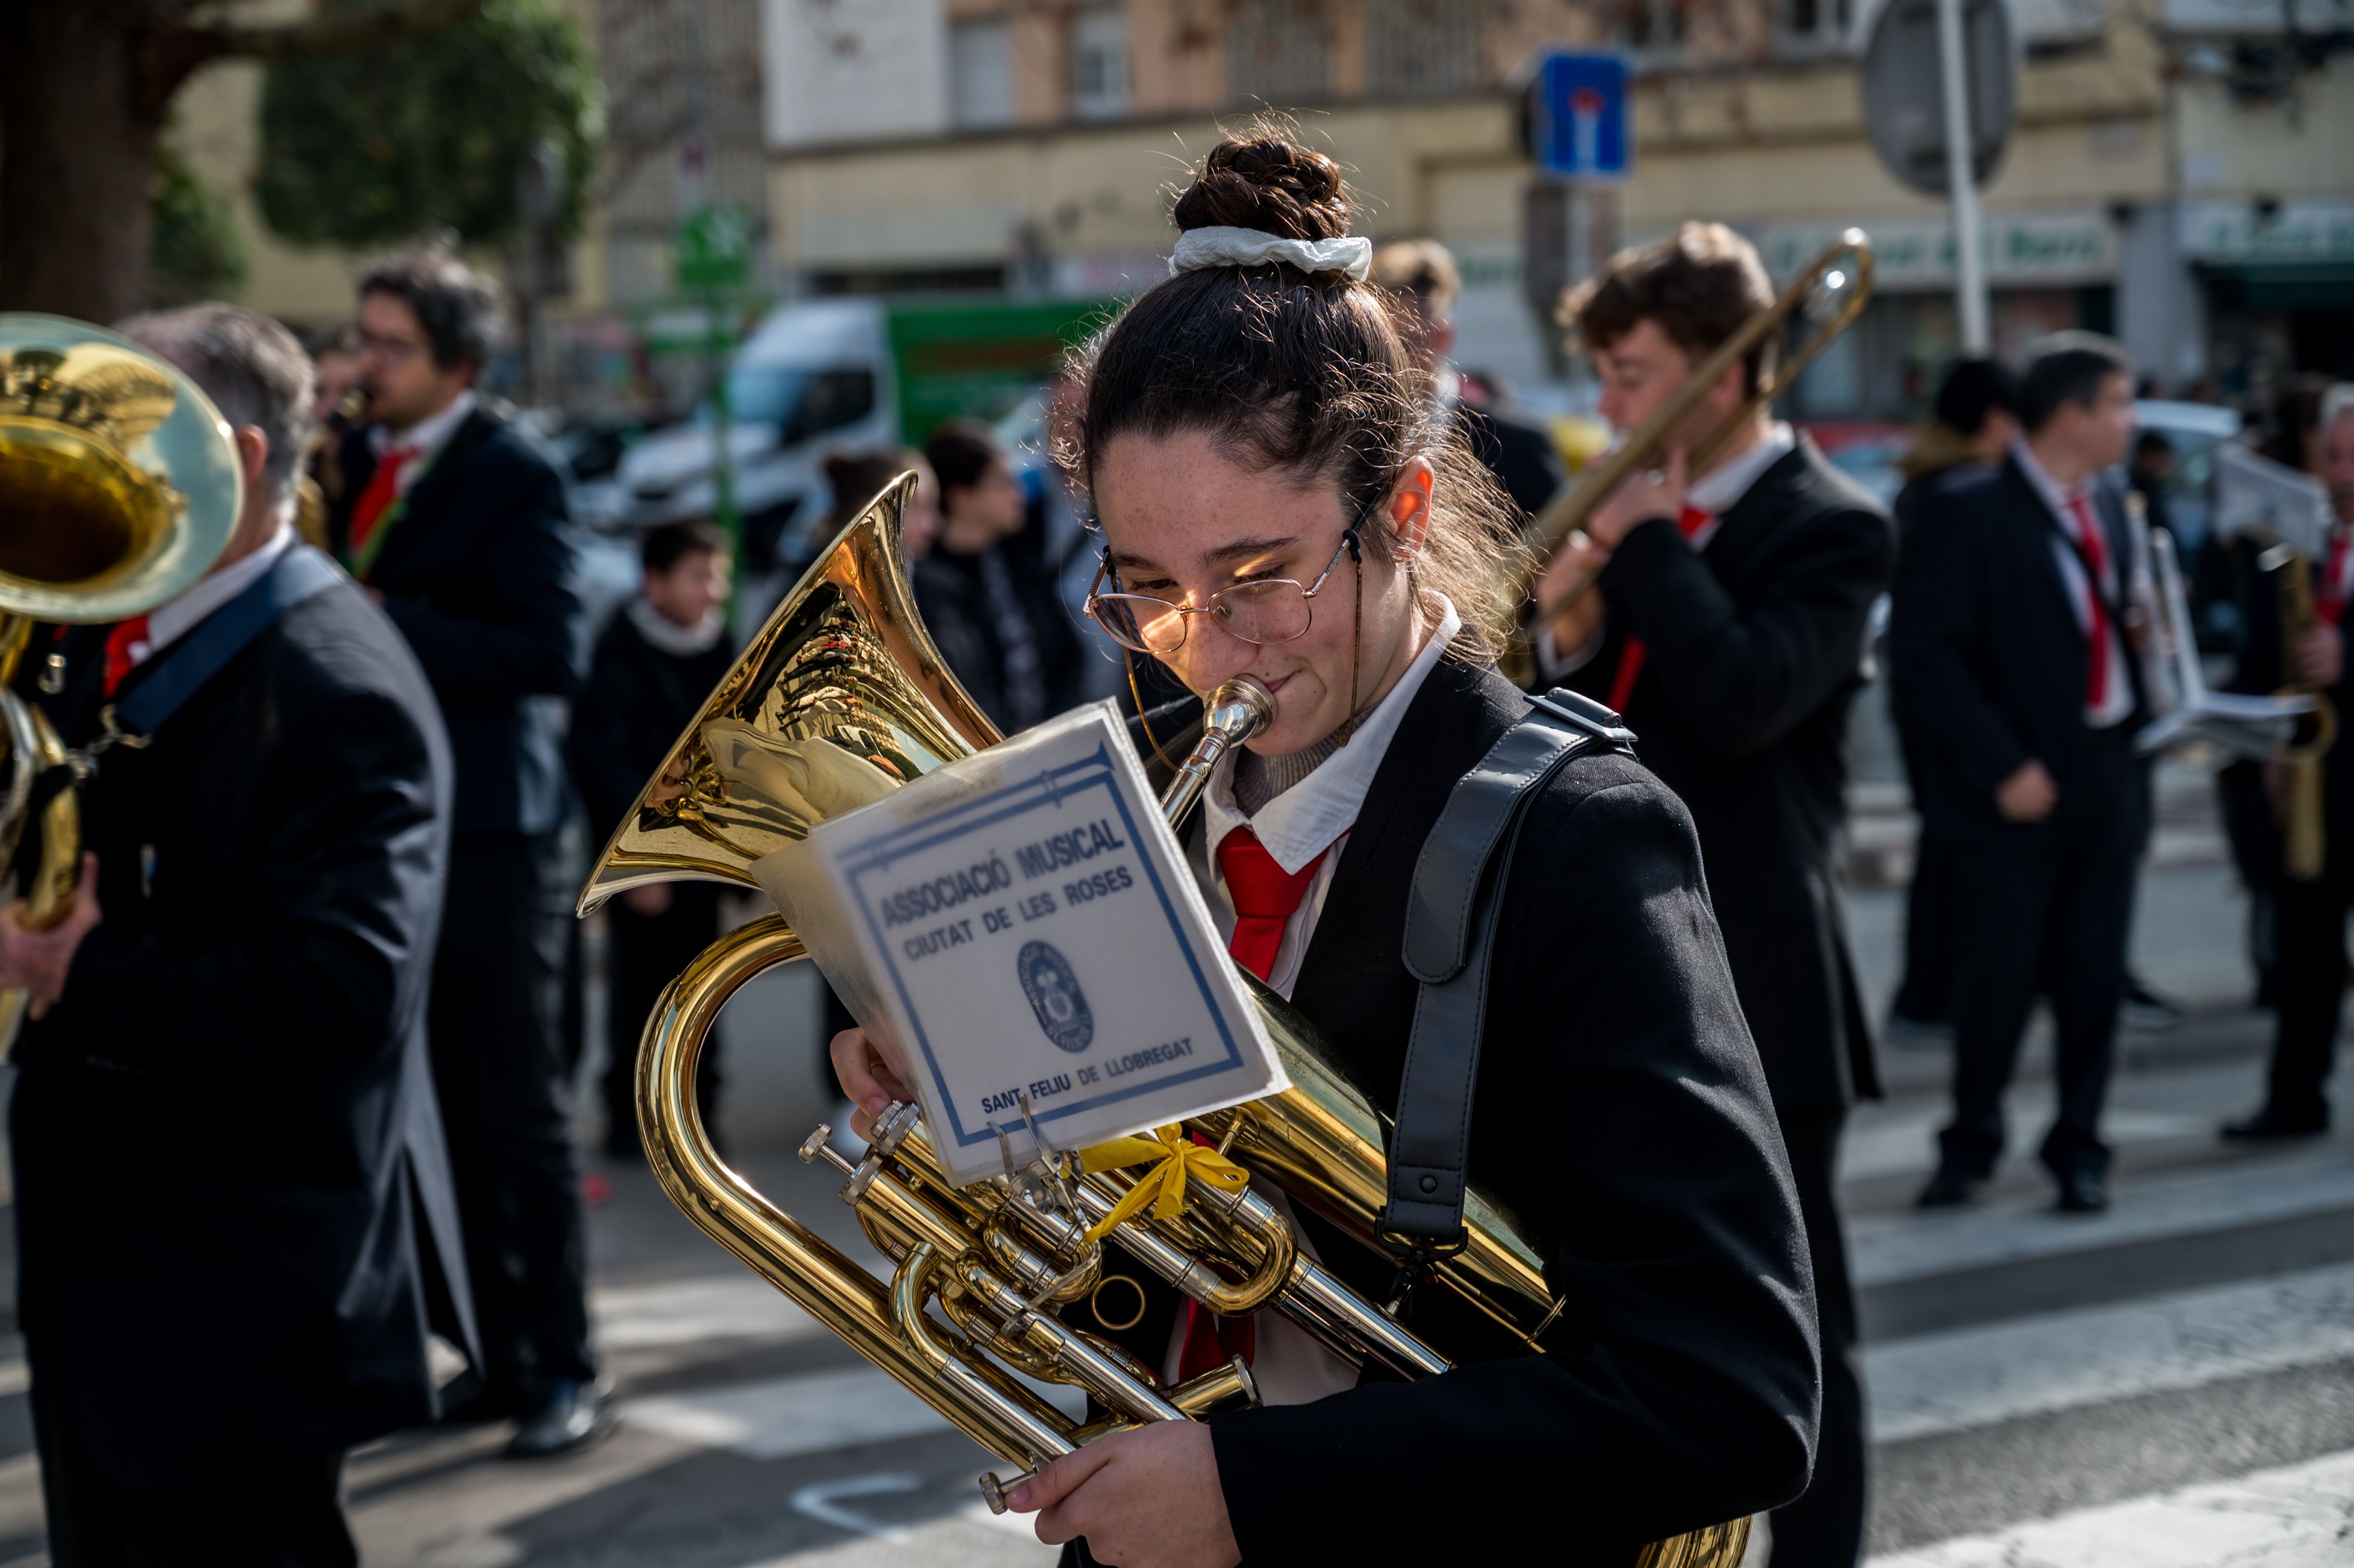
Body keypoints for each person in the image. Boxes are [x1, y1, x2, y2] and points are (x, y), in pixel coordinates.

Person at [831, 133, 1819, 1568]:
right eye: (1148, 587)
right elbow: (1153, 1274)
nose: (1204, 646)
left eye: (1258, 576)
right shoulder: (1152, 800)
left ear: (1402, 515)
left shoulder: (1582, 837)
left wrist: (1253, 1490)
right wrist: (971, 1101)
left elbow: (1730, 1394)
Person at [1, 304, 468, 1565]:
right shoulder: (112, 621)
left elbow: (343, 985)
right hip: (121, 1266)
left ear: (242, 461)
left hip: (229, 1297)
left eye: (118, 435)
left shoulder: (338, 681)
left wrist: (76, 966)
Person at [1531, 222, 1892, 1568]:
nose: (1610, 408)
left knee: (1799, 1322)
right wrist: (1565, 624)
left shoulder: (1835, 528)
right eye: (1607, 375)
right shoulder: (1647, 523)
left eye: (1632, 374)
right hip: (1622, 969)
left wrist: (1639, 553)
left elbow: (1743, 699)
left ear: (1726, 374)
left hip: (1767, 974)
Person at [324, 247, 609, 1454]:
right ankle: (487, 1350)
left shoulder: (516, 468)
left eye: (390, 345)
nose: (364, 362)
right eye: (364, 338)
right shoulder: (346, 461)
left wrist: (387, 624)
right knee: (431, 1102)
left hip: (499, 831)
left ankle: (561, 1362)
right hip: (391, 822)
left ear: (456, 362)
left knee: (516, 1111)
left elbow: (546, 652)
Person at [1890, 332, 2152, 1214]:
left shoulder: (2112, 503)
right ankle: (1969, 1142)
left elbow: (2100, 622)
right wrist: (1999, 766)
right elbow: (1927, 658)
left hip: (2107, 775)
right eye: (2117, 403)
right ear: (2071, 416)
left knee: (2093, 980)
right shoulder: (1968, 508)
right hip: (2014, 792)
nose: (2130, 420)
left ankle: (2079, 1146)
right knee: (1994, 984)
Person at [571, 520, 737, 1160]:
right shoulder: (618, 655)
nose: (713, 589)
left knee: (705, 989)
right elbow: (603, 764)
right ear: (654, 582)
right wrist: (637, 864)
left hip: (700, 857)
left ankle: (699, 1113)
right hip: (646, 865)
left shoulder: (718, 643)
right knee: (640, 995)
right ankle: (631, 1118)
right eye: (698, 575)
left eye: (716, 573)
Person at [2220, 384, 2354, 1139]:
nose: (2342, 473)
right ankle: (2294, 1097)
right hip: (2314, 781)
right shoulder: (2302, 540)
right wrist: (2269, 739)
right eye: (2334, 456)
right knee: (2305, 951)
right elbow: (2266, 656)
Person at [1886, 357, 2021, 1046]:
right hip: (1943, 704)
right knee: (1954, 849)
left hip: (1923, 702)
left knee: (1943, 844)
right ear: (1996, 421)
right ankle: (1935, 993)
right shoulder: (1959, 493)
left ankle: (1930, 991)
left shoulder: (1924, 479)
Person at [1370, 237, 1566, 522]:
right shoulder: (1350, 443)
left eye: (1406, 342)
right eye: (1378, 343)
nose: (1388, 360)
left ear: (1442, 336)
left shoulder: (1520, 452)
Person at [914, 421, 1087, 732]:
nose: (1018, 493)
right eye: (1002, 483)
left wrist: (1056, 723)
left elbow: (1068, 654)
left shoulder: (1019, 558)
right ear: (961, 498)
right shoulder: (926, 586)